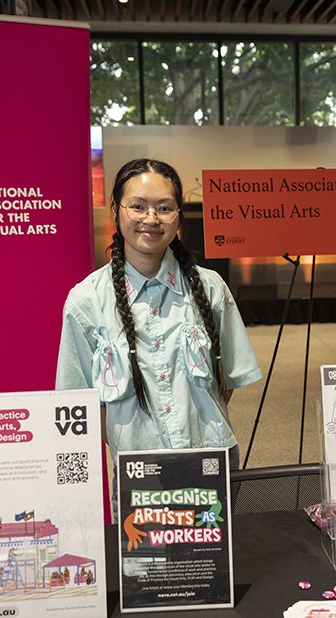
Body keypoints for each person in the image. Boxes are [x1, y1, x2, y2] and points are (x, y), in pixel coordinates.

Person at [55, 158, 261, 515]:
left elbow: (225, 380)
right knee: (146, 566)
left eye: (164, 208)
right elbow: (83, 402)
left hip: (211, 456)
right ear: (116, 212)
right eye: (137, 206)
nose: (151, 219)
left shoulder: (210, 288)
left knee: (212, 568)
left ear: (178, 216)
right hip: (140, 472)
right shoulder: (86, 301)